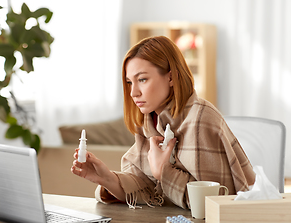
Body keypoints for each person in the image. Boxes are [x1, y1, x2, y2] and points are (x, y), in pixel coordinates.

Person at [71, 36, 255, 209]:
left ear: (171, 77)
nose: (133, 93)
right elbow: (148, 189)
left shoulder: (201, 120)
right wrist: (106, 178)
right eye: (129, 82)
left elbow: (214, 203)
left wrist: (163, 172)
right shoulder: (149, 121)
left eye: (142, 79)